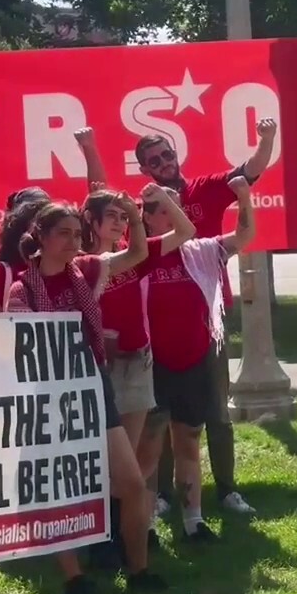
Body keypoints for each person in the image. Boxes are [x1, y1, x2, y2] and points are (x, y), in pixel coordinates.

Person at [76, 122, 277, 516]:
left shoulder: (204, 190)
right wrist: (89, 149)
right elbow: (101, 196)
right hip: (155, 333)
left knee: (215, 411)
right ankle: (161, 496)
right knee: (158, 420)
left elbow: (250, 173)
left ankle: (226, 489)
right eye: (154, 161)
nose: (164, 163)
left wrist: (266, 139)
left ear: (176, 154)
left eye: (167, 154)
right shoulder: (145, 210)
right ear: (145, 170)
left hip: (205, 320)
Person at [5, 196, 168, 594]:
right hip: (48, 395)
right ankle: (74, 577)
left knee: (130, 483)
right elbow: (19, 342)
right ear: (39, 237)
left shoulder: (90, 269)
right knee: (61, 488)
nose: (73, 241)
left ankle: (138, 571)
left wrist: (132, 215)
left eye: (78, 234)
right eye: (63, 233)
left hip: (93, 385)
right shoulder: (21, 289)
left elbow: (138, 252)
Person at [139, 176, 258, 543]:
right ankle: (145, 524)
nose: (173, 214)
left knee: (189, 440)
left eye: (177, 206)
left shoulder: (202, 250)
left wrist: (244, 198)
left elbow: (244, 236)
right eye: (163, 209)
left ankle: (194, 521)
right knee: (150, 447)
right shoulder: (140, 254)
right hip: (152, 365)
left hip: (193, 361)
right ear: (148, 218)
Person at [80, 183, 195, 561]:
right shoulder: (81, 264)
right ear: (90, 222)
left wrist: (157, 202)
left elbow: (186, 232)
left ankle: (123, 530)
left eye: (121, 216)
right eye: (110, 216)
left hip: (136, 361)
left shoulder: (135, 256)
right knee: (107, 457)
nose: (118, 221)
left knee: (130, 455)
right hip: (100, 365)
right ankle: (105, 534)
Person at [0, 188, 51, 313]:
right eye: (33, 216)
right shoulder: (3, 272)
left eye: (48, 219)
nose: (40, 226)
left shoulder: (65, 269)